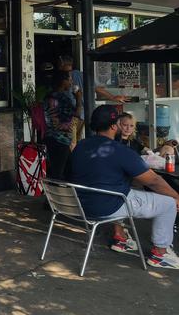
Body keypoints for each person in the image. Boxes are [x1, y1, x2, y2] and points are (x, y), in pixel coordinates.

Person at [68, 105, 179, 268]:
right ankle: (160, 254)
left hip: (79, 205)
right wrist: (176, 196)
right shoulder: (119, 150)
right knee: (168, 203)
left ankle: (121, 238)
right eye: (120, 123)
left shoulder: (81, 146)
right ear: (114, 126)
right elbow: (153, 181)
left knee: (122, 189)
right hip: (107, 206)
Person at [44, 70, 82, 178]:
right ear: (63, 81)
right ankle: (57, 193)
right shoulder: (64, 98)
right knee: (60, 172)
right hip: (62, 138)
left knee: (64, 169)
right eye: (69, 79)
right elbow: (77, 115)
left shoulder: (48, 96)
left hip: (50, 136)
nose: (71, 82)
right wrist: (79, 99)